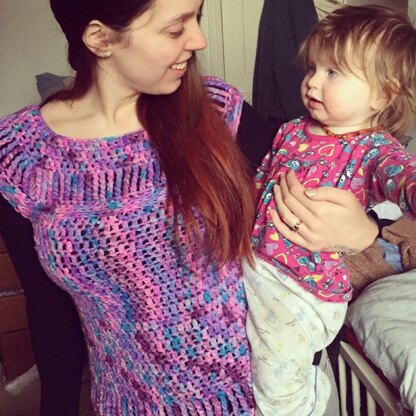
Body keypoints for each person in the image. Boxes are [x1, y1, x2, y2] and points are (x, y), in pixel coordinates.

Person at [0, 0, 380, 415]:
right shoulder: (23, 156)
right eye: (176, 28)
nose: (199, 40)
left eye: (196, 18)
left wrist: (364, 232)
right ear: (100, 38)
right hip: (130, 403)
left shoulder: (217, 112)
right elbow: (49, 310)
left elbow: (329, 181)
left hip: (263, 397)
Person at [243, 5, 416, 416]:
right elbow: (261, 182)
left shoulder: (374, 148)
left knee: (276, 385)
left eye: (333, 72)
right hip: (257, 264)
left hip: (304, 287)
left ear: (382, 94)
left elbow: (401, 176)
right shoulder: (290, 130)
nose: (312, 82)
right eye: (312, 69)